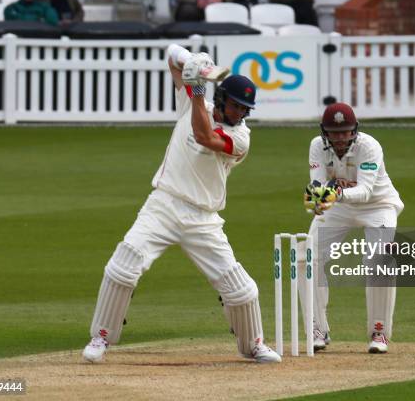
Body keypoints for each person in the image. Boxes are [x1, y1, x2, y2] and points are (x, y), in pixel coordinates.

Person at [82, 45, 281, 364]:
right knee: (122, 268)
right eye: (236, 105)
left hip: (203, 217)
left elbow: (204, 135)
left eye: (245, 108)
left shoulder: (240, 137)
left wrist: (197, 88)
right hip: (163, 204)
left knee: (241, 290)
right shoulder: (191, 100)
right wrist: (193, 62)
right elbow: (172, 56)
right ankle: (101, 336)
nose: (240, 113)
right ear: (222, 100)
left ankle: (253, 344)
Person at [302, 102, 404, 353]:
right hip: (339, 206)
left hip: (378, 205)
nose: (339, 138)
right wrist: (316, 199)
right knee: (307, 256)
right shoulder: (317, 146)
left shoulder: (369, 146)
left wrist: (334, 194)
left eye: (344, 131)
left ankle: (379, 332)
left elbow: (366, 190)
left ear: (354, 130)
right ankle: (317, 329)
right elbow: (317, 184)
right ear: (324, 132)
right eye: (333, 132)